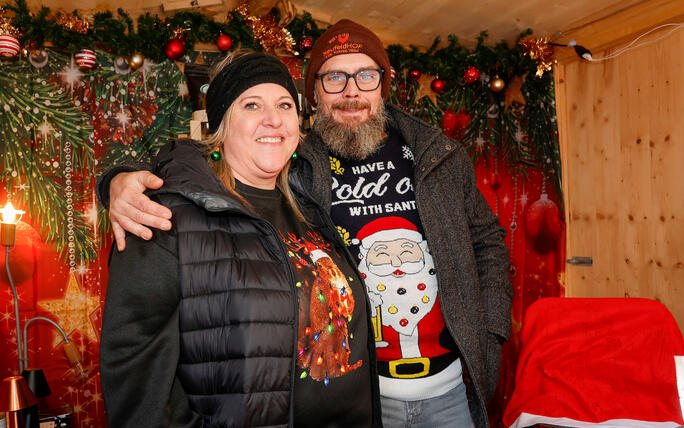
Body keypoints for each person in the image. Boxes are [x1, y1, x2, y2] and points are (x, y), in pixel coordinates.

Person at [98, 20, 513, 428]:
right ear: (314, 94)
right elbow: (200, 169)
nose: (351, 91)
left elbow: (488, 240)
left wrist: (488, 332)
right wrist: (118, 180)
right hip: (373, 394)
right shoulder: (300, 169)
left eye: (365, 76)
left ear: (383, 84)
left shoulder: (432, 158)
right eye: (334, 78)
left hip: (443, 390)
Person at [99, 51, 382, 428]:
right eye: (251, 104)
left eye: (284, 104)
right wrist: (114, 182)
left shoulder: (311, 211)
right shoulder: (164, 216)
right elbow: (136, 375)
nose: (273, 118)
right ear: (221, 126)